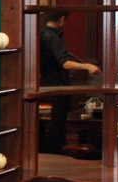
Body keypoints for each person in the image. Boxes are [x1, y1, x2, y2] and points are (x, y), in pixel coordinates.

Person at [39, 10, 100, 153]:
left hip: (45, 83)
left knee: (50, 121)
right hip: (58, 85)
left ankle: (47, 151)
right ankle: (54, 152)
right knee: (58, 121)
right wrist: (87, 66)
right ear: (62, 19)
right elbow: (65, 63)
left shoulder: (40, 35)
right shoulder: (53, 38)